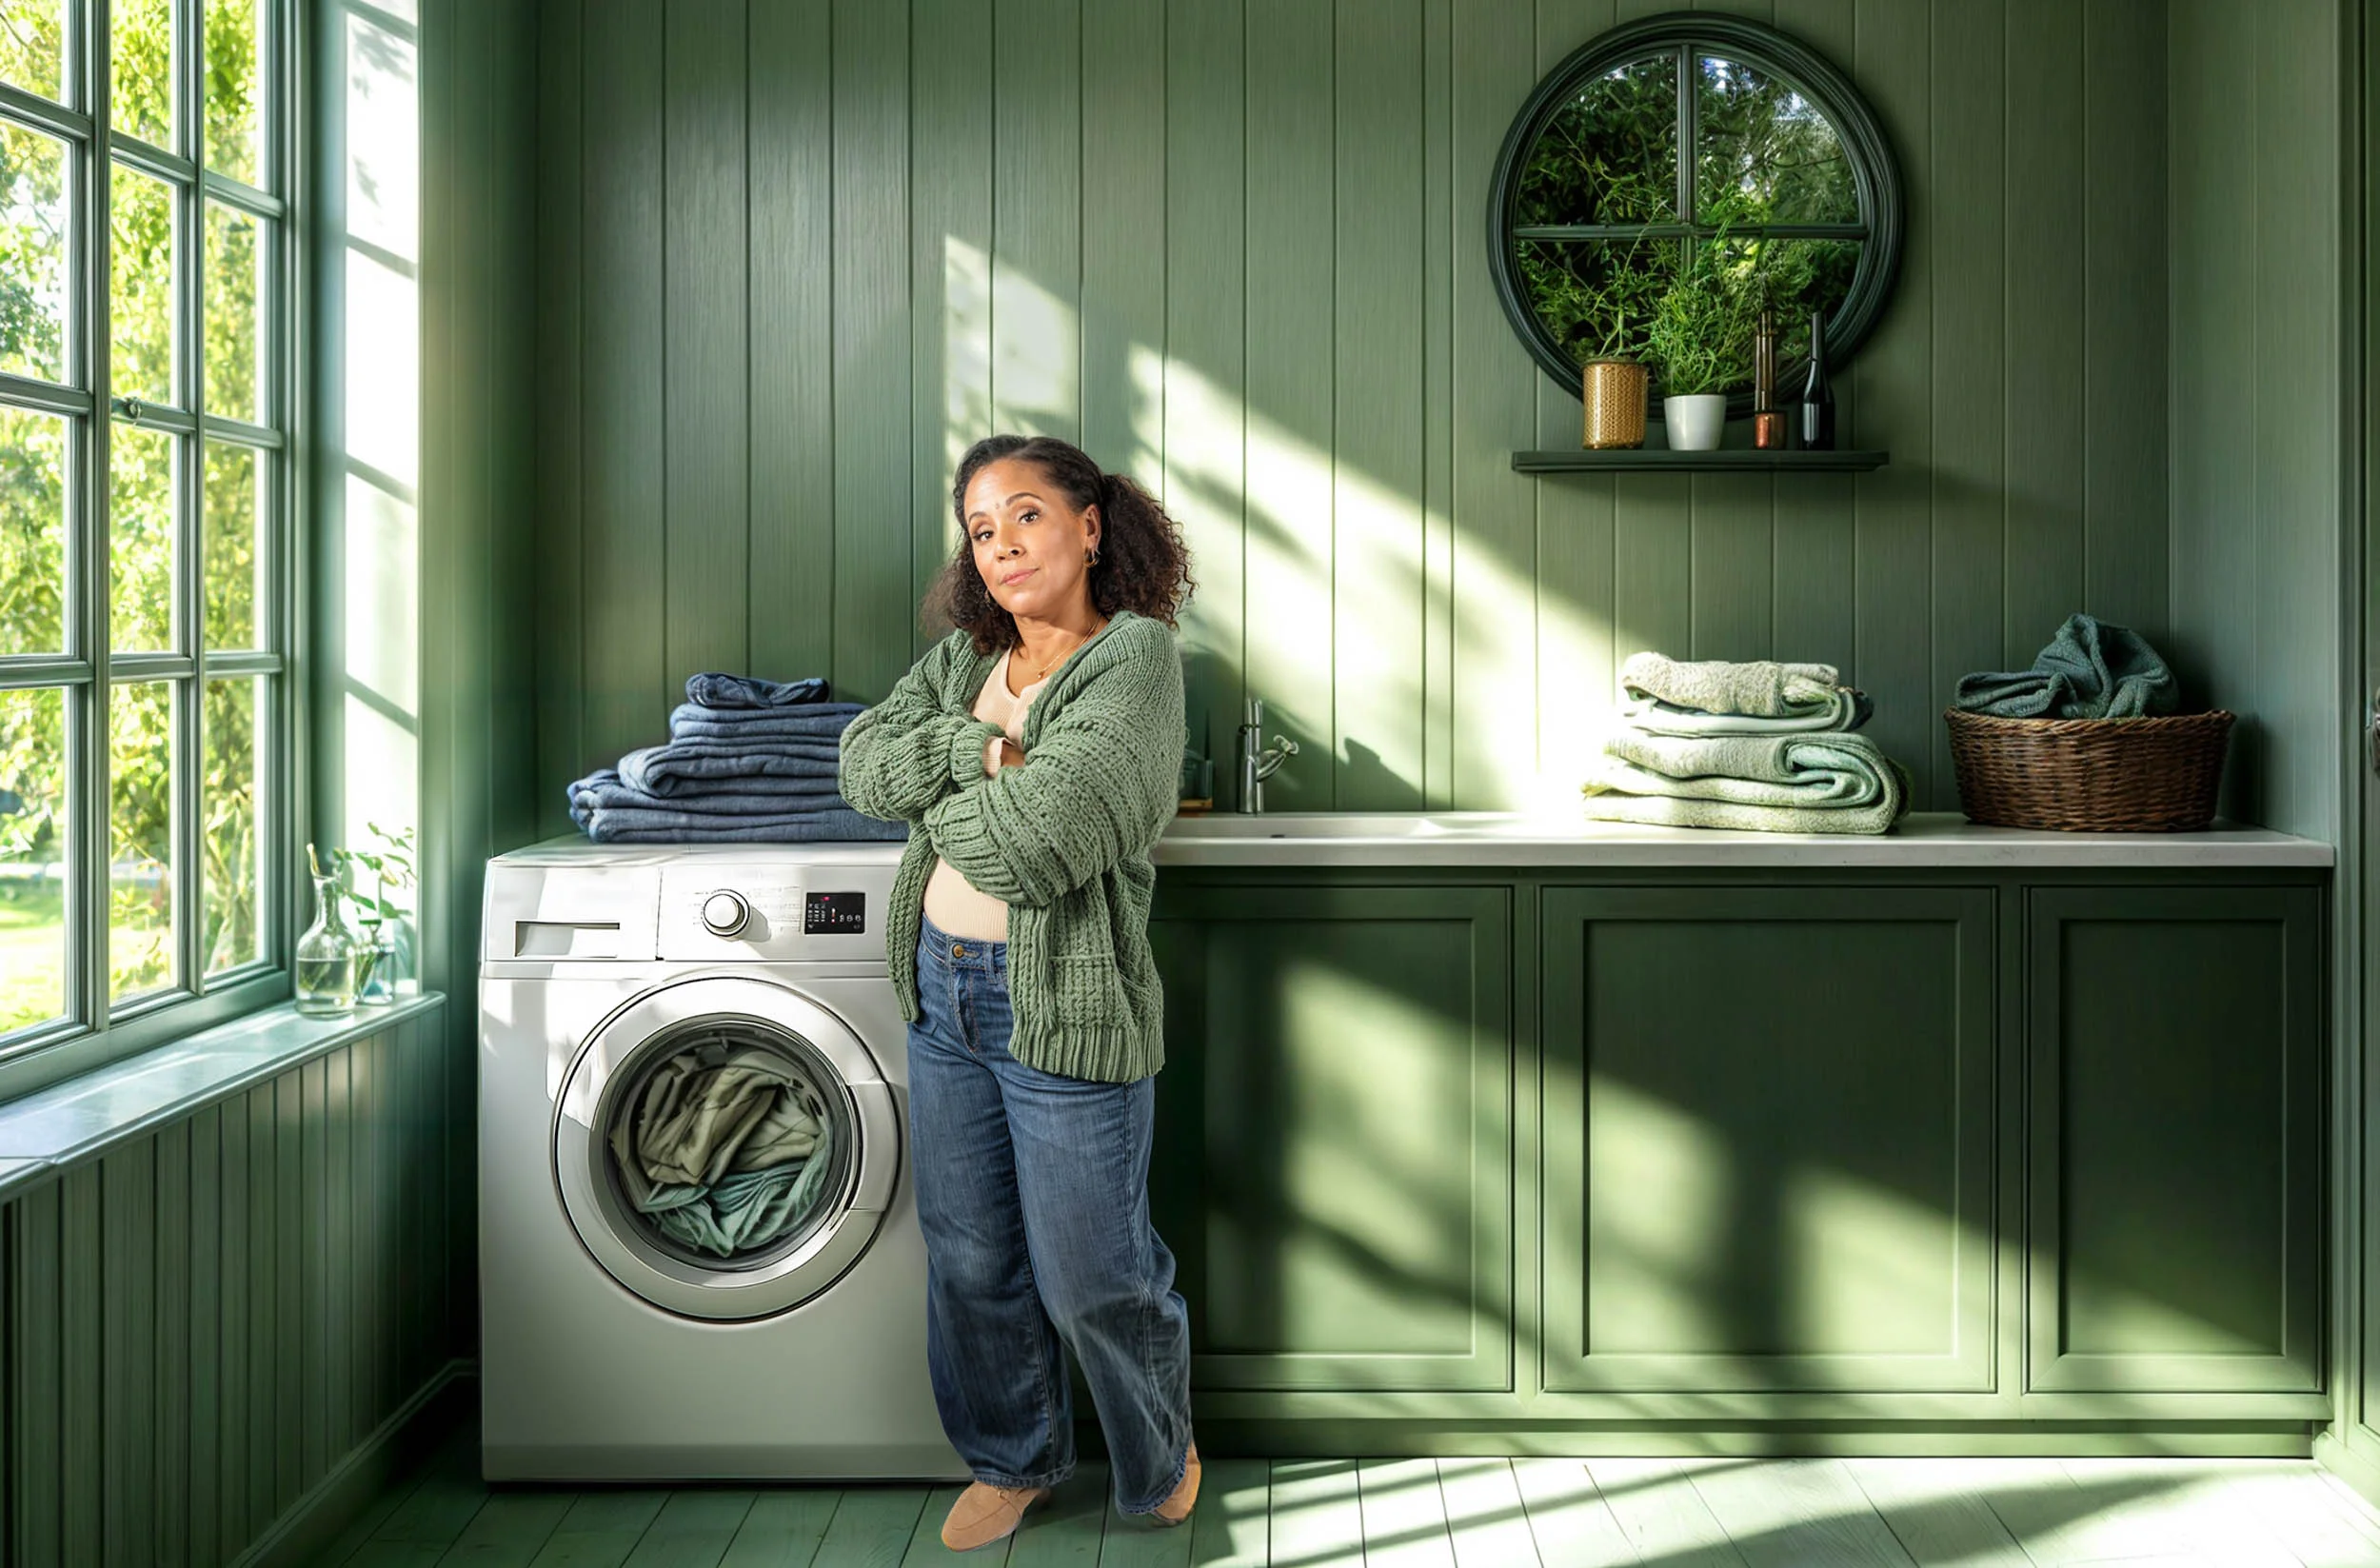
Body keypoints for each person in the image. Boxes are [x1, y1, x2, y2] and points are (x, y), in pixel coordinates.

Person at [839, 432, 1199, 1551]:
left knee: (1096, 1274)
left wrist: (933, 778)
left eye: (1026, 517)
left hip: (1065, 1005)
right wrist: (983, 756)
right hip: (939, 996)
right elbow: (859, 762)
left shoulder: (1133, 661)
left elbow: (1039, 852)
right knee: (971, 1257)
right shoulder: (963, 666)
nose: (1002, 547)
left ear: (1090, 525)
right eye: (982, 531)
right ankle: (1014, 1458)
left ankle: (1157, 1453)